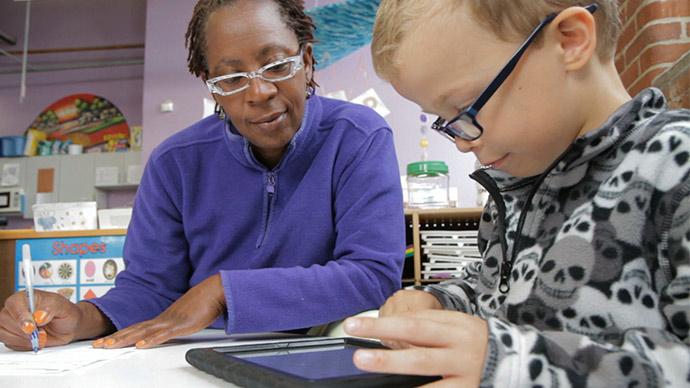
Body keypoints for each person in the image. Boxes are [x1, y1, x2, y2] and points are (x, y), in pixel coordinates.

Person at [0, 0, 405, 351]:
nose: (259, 91)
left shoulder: (358, 136)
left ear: (308, 61)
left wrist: (221, 292)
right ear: (213, 90)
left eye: (278, 65)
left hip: (322, 344)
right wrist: (79, 318)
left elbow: (371, 276)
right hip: (198, 354)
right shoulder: (174, 163)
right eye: (231, 78)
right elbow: (150, 288)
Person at [343, 0, 690, 386]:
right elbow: (495, 291)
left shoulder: (676, 165)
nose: (461, 142)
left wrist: (513, 366)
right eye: (447, 122)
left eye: (465, 108)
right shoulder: (515, 186)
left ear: (570, 41)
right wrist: (442, 302)